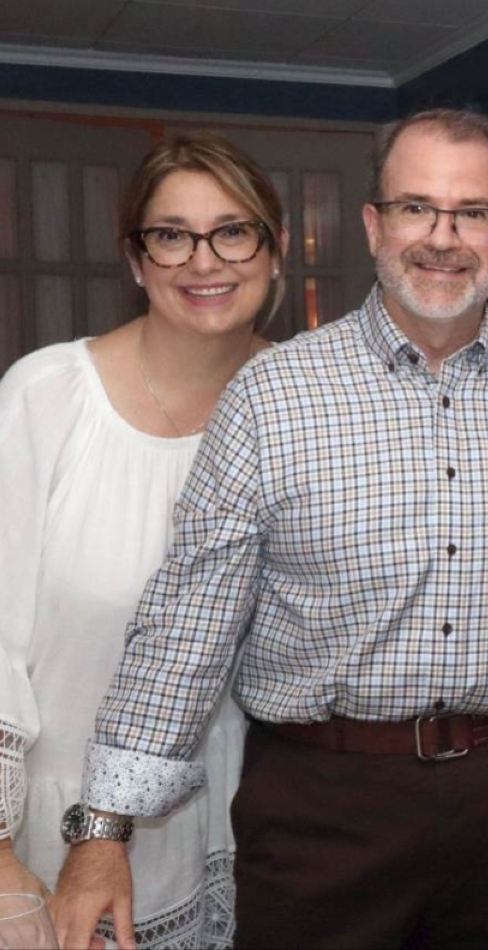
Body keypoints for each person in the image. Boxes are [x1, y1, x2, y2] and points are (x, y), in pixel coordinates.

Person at [51, 108, 488, 950]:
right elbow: (187, 623)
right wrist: (102, 831)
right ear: (374, 223)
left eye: (471, 213)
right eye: (418, 207)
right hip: (325, 816)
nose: (443, 237)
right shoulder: (273, 395)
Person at [0, 132, 287, 949]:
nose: (205, 261)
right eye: (171, 235)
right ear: (135, 258)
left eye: (233, 231)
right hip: (49, 832)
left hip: (247, 823)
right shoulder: (47, 396)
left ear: (272, 251)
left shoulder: (311, 407)